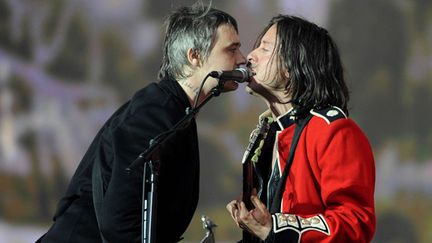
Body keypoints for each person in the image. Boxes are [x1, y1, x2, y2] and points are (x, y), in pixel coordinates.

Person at [37, 4, 246, 243]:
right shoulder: (155, 111)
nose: (242, 59)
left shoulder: (174, 110)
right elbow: (120, 222)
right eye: (232, 49)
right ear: (194, 56)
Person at [226, 15, 375, 242]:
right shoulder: (269, 134)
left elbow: (355, 222)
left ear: (292, 66)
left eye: (264, 49)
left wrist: (275, 229)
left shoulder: (333, 131)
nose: (250, 56)